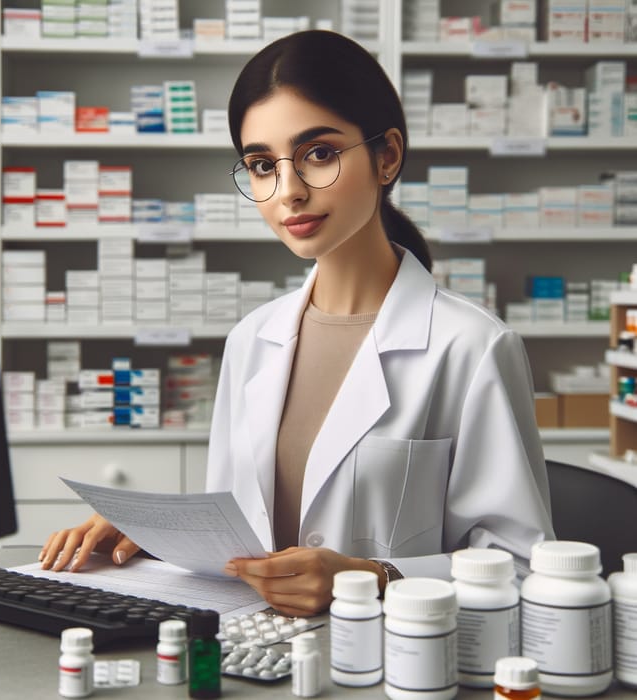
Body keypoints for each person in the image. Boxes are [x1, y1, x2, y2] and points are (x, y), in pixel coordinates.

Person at [39, 30, 554, 617]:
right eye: (262, 165)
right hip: (258, 659)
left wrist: (374, 576)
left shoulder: (472, 347)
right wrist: (151, 536)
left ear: (387, 156)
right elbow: (240, 537)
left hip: (391, 665)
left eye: (319, 154)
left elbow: (520, 564)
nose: (289, 192)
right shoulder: (251, 341)